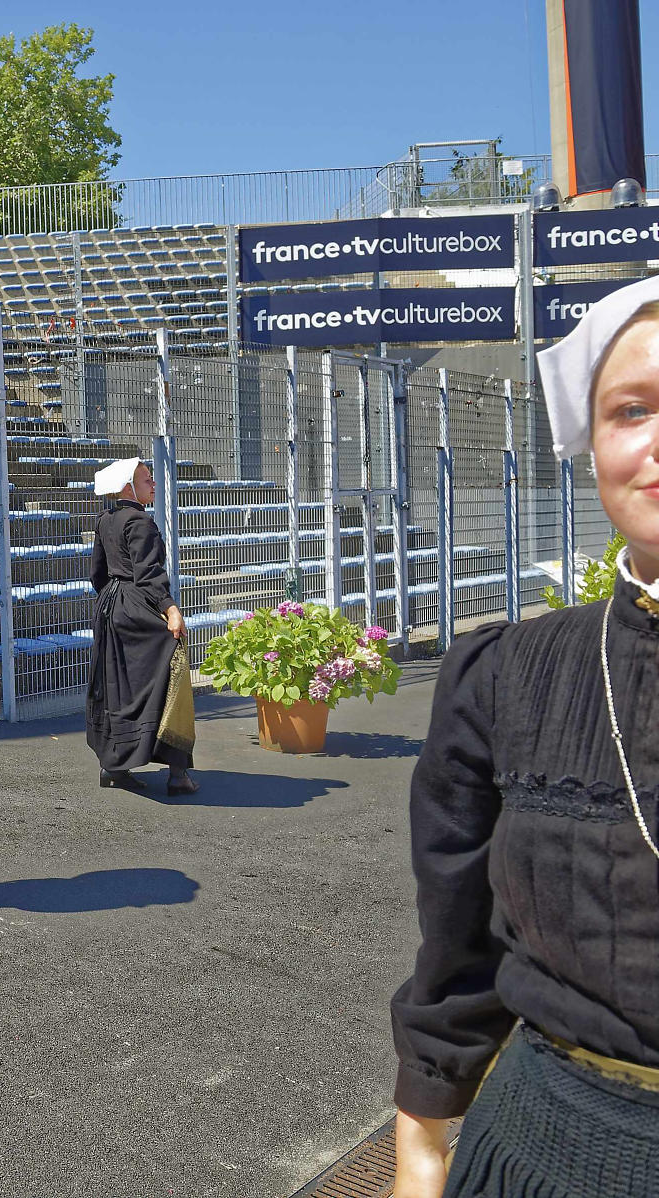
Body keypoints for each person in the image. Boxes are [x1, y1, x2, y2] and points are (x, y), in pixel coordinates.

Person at [391, 274, 659, 1198]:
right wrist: (421, 1149)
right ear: (593, 448)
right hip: (544, 1155)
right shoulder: (506, 676)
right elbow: (456, 943)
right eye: (632, 410)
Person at [84, 457, 196, 796]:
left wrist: (112, 600)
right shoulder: (141, 521)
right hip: (136, 604)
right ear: (128, 487)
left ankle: (113, 767)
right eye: (147, 480)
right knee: (173, 664)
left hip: (109, 607)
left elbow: (97, 573)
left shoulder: (105, 519)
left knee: (117, 683)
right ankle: (177, 772)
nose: (154, 484)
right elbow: (148, 574)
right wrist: (171, 609)